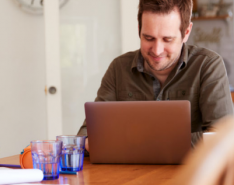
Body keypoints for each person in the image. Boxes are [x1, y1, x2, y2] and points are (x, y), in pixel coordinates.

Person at [78, 0, 233, 151]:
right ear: (139, 29)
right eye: (149, 38)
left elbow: (224, 138)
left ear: (186, 32)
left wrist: (142, 143)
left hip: (192, 175)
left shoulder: (208, 66)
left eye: (168, 39)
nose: (157, 50)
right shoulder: (118, 68)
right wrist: (87, 141)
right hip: (129, 175)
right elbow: (88, 133)